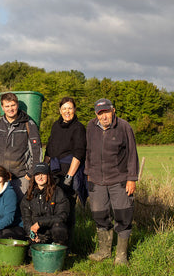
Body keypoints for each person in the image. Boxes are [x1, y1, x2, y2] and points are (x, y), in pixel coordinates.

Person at [85, 98, 139, 265]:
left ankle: (121, 255)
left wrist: (131, 178)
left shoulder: (124, 126)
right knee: (99, 215)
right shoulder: (90, 127)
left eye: (106, 112)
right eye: (100, 113)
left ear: (113, 110)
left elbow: (132, 154)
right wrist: (88, 173)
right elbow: (88, 151)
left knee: (123, 216)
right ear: (96, 114)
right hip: (96, 180)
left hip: (119, 180)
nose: (104, 116)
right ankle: (104, 251)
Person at [0, 92, 42, 198]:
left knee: (21, 210)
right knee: (0, 209)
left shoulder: (29, 125)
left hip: (21, 177)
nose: (10, 109)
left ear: (17, 105)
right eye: (7, 106)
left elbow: (36, 152)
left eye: (13, 105)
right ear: (2, 107)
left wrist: (30, 174)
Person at [44, 97, 87, 244]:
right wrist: (44, 169)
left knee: (67, 208)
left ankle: (67, 245)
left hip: (69, 173)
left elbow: (79, 153)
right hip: (54, 172)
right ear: (60, 110)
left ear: (74, 110)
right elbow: (49, 149)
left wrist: (69, 176)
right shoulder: (56, 126)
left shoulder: (79, 128)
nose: (67, 111)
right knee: (52, 207)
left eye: (70, 108)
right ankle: (52, 239)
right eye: (64, 108)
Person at [20, 163, 70, 245]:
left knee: (59, 229)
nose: (40, 177)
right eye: (37, 174)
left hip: (53, 230)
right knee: (31, 252)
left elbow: (62, 216)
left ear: (48, 176)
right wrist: (31, 233)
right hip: (38, 232)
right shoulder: (28, 195)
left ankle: (58, 249)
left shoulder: (58, 192)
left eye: (43, 174)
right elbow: (26, 220)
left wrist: (40, 223)